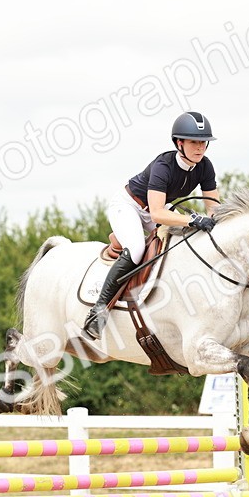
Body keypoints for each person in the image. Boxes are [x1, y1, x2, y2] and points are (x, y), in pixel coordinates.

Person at [81, 111, 221, 340]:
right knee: (136, 249)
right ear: (179, 143)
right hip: (129, 206)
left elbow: (213, 208)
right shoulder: (163, 165)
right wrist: (193, 219)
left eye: (204, 142)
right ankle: (98, 311)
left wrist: (217, 222)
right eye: (194, 142)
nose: (200, 148)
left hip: (156, 210)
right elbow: (157, 212)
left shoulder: (205, 167)